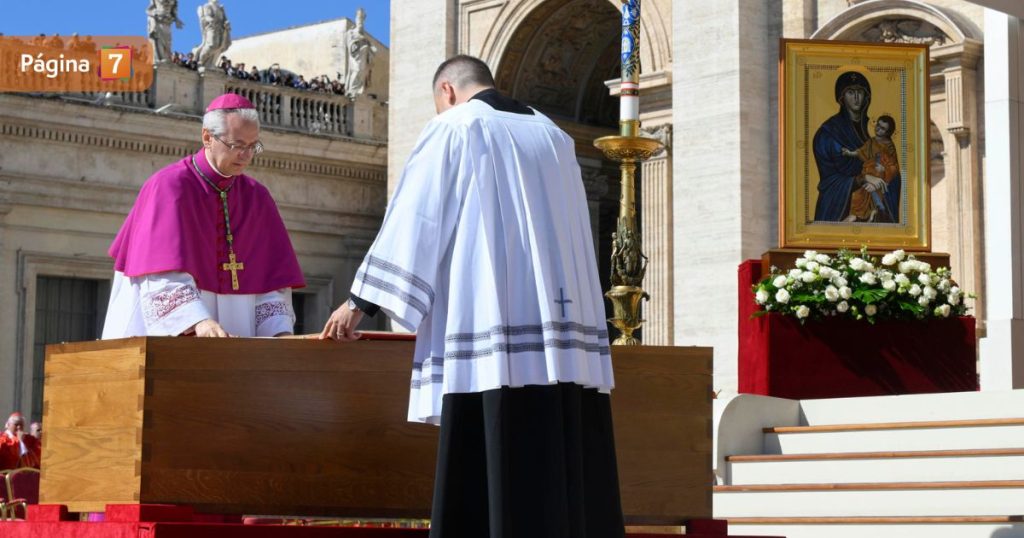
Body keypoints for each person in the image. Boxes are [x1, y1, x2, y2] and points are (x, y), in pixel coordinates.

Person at [320, 55, 623, 538]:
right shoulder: (553, 135)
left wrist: (360, 301)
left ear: (447, 91)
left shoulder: (456, 127)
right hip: (562, 343)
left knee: (490, 475)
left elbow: (417, 218)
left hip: (492, 329)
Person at [102, 93, 305, 338]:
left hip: (241, 343)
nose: (246, 155)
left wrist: (279, 334)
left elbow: (271, 284)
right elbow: (160, 274)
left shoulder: (257, 197)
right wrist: (198, 321)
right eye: (237, 145)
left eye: (253, 146)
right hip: (176, 337)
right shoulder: (169, 187)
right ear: (207, 137)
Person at [812, 71, 900, 223]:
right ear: (841, 97)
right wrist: (863, 178)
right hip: (839, 208)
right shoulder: (828, 133)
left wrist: (883, 174)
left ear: (866, 96)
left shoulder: (877, 132)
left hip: (877, 209)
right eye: (851, 92)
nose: (856, 97)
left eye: (860, 92)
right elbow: (829, 181)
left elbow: (893, 170)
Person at [841, 115, 900, 222]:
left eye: (883, 128)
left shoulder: (889, 146)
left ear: (887, 132)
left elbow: (894, 166)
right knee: (858, 194)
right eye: (878, 125)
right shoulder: (871, 141)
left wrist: (884, 168)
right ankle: (857, 213)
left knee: (873, 190)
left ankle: (874, 209)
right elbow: (861, 152)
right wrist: (849, 153)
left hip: (880, 175)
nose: (878, 129)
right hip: (869, 172)